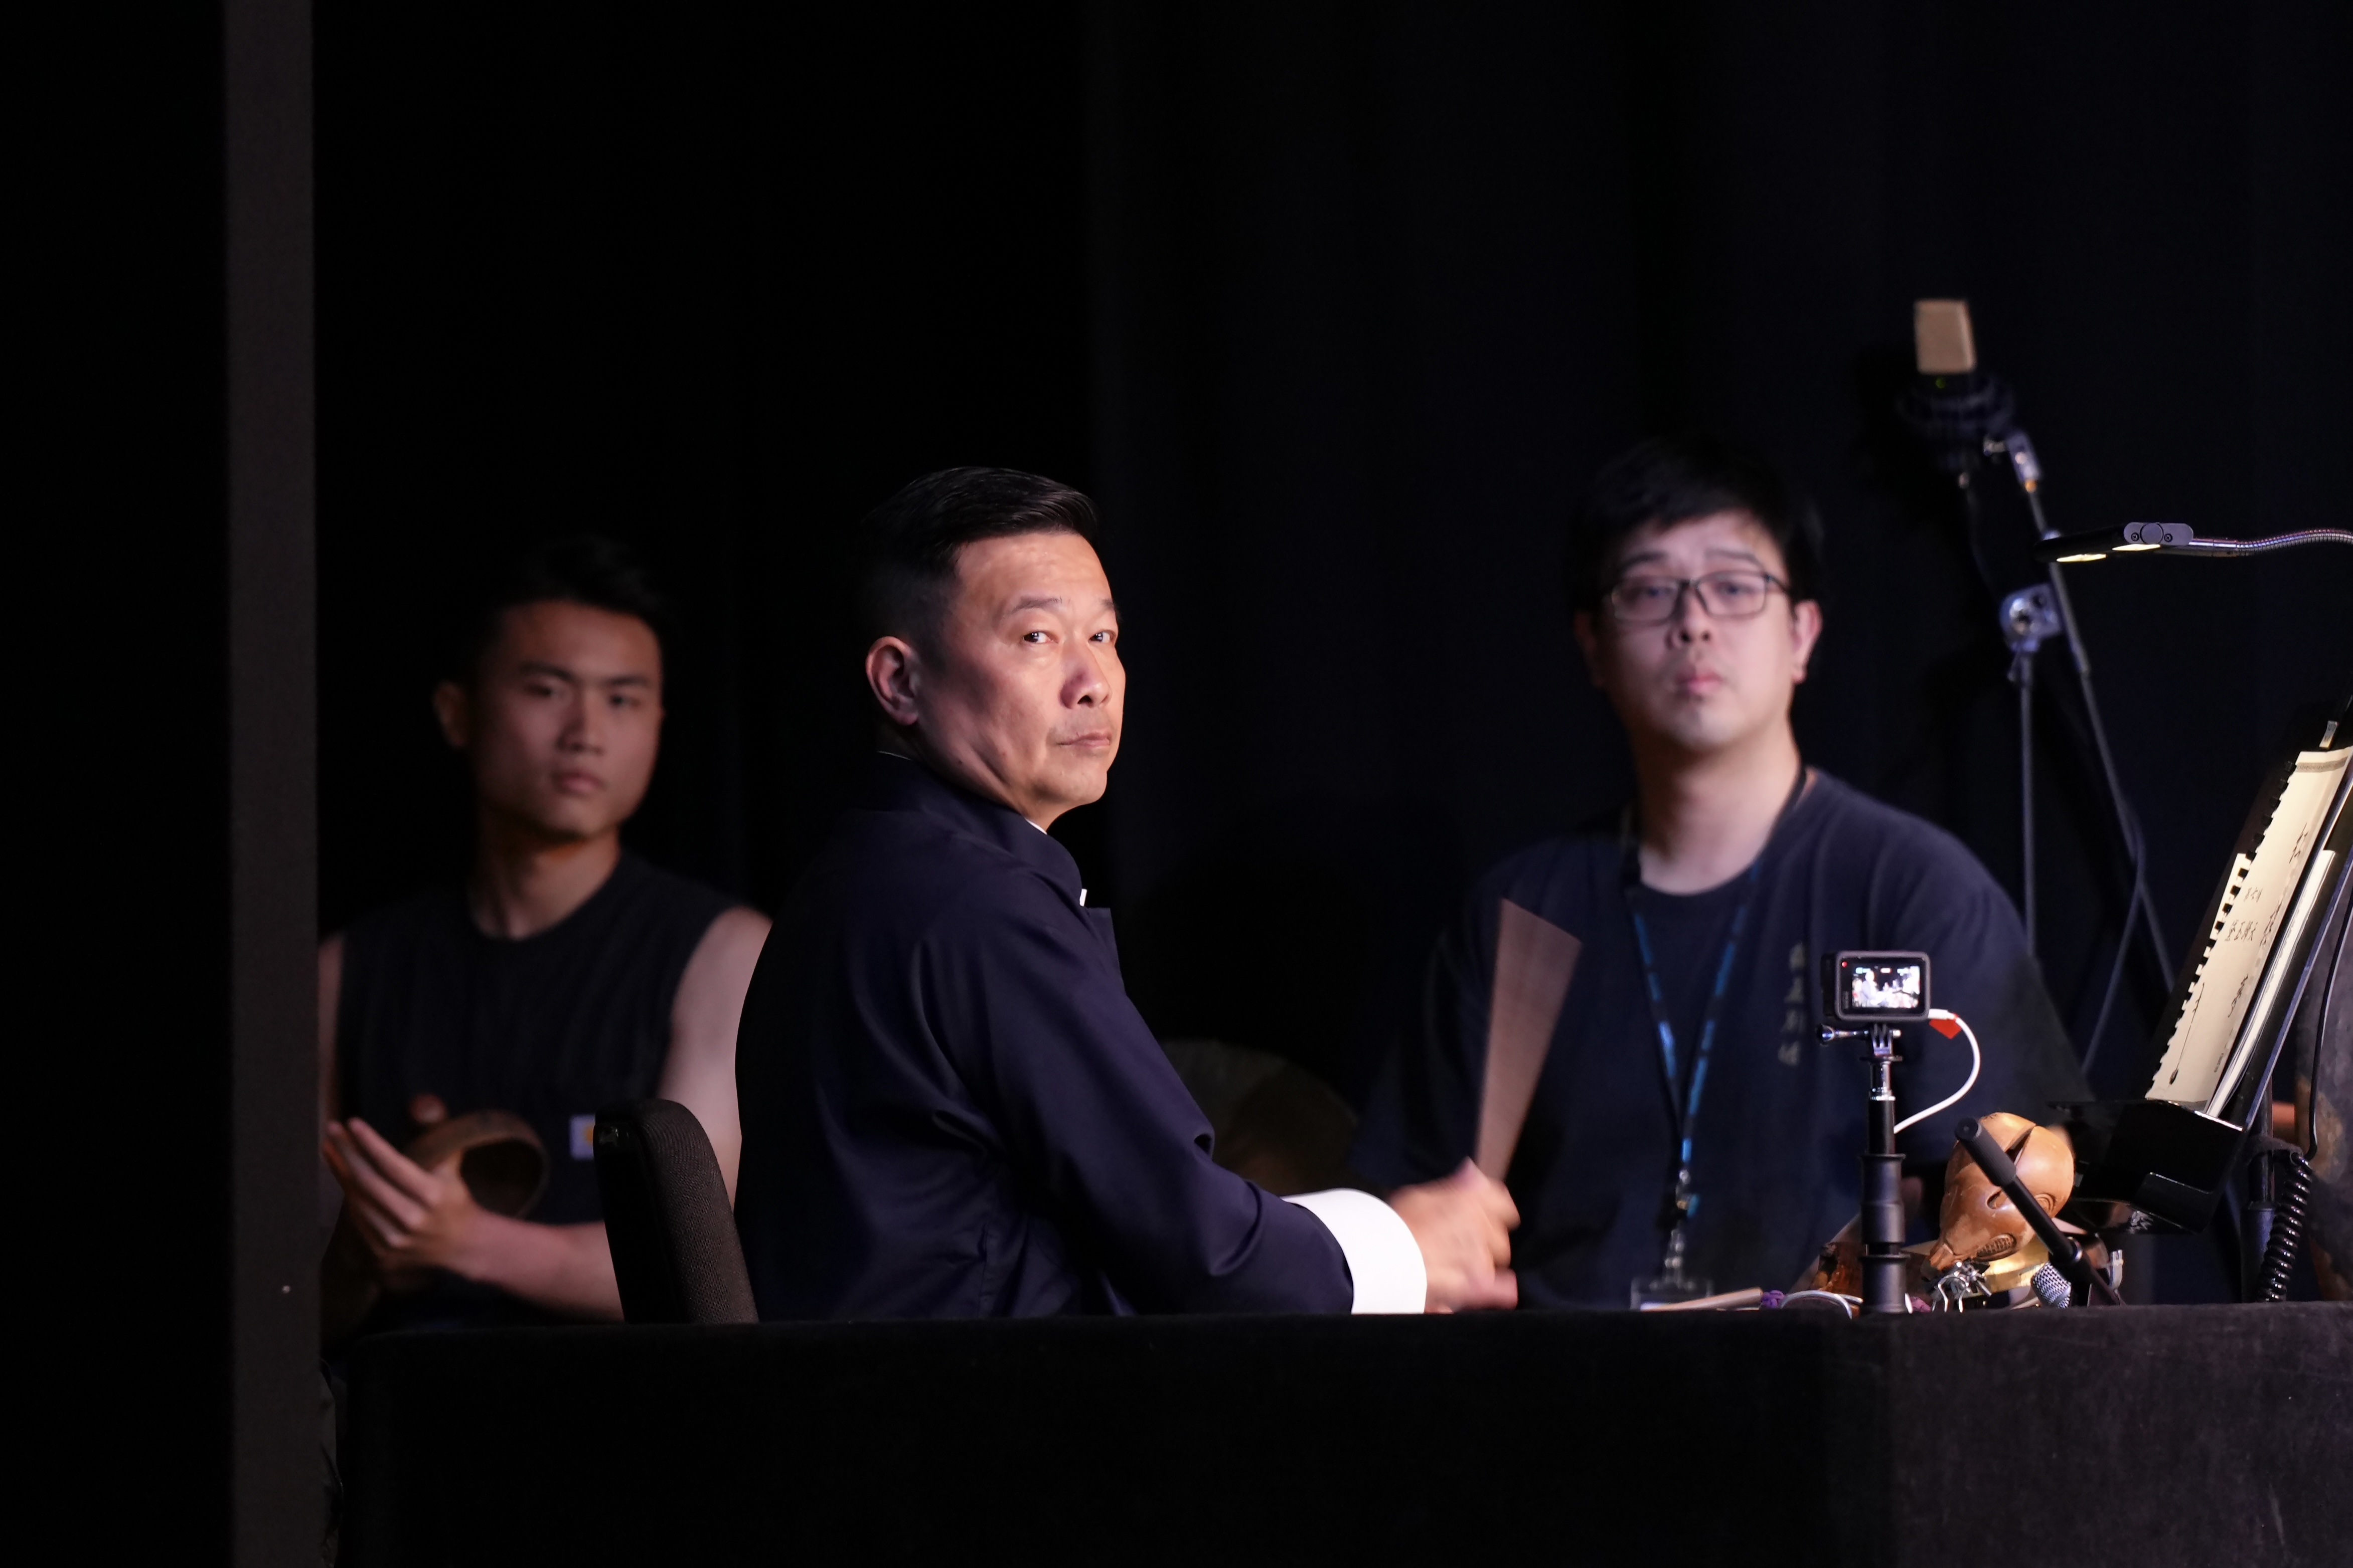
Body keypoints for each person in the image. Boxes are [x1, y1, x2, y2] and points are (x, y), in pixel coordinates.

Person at [731, 468, 1518, 1317]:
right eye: (1038, 637)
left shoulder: (862, 875)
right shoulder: (974, 906)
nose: (1094, 680)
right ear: (900, 682)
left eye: (1104, 636)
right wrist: (1406, 1250)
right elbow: (1202, 1253)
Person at [1352, 434, 2092, 1309]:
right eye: (1650, 591)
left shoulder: (1917, 892)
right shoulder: (1524, 913)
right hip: (1558, 1382)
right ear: (1592, 644)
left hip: (1820, 1375)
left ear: (1802, 634)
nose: (1694, 622)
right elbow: (1405, 1232)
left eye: (1736, 587)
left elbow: (2025, 1224)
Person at [319, 538, 770, 1332]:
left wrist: (465, 1240)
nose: (585, 732)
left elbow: (697, 1266)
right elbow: (287, 1286)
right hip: (389, 1400)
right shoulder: (344, 969)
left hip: (620, 1402)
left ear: (659, 724)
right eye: (547, 690)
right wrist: (365, 1250)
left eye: (623, 700)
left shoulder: (725, 955)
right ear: (457, 712)